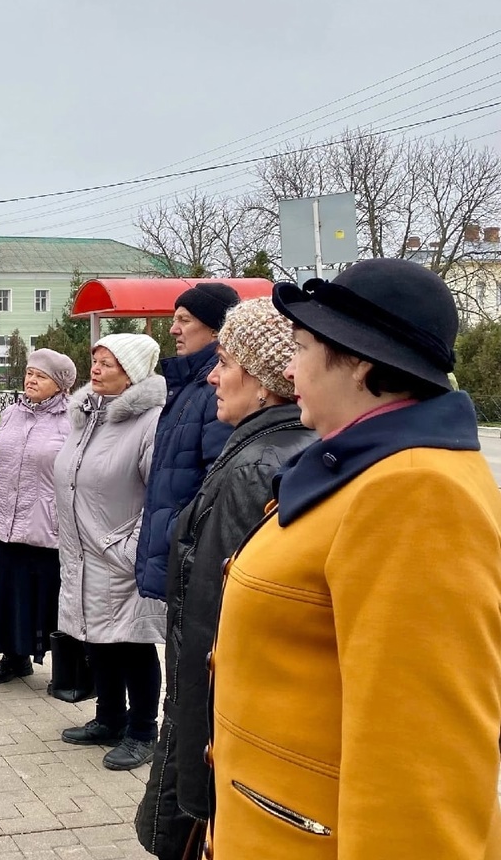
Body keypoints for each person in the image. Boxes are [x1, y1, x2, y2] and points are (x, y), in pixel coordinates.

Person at [207, 258, 501, 858]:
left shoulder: (415, 492)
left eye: (302, 347)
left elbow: (420, 764)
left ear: (361, 364)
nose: (289, 369)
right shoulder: (365, 470)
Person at [135, 298, 315, 858]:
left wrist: (188, 756)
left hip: (214, 725)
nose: (213, 374)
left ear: (263, 382)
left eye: (227, 362)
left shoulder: (255, 467)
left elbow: (215, 621)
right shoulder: (268, 448)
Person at [56, 333, 167, 771]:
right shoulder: (88, 414)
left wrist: (129, 547)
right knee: (96, 638)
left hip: (120, 554)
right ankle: (109, 717)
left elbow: (160, 493)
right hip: (83, 551)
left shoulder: (150, 422)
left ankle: (142, 730)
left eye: (108, 363)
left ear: (133, 373)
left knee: (133, 643)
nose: (96, 369)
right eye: (95, 360)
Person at [0, 349, 77, 688]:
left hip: (47, 527)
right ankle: (14, 659)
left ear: (60, 385)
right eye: (30, 373)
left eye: (41, 376)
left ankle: (65, 670)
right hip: (7, 522)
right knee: (9, 595)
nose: (31, 380)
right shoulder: (10, 414)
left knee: (48, 599)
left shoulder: (72, 421)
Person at [136, 282, 240, 602]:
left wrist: (179, 538)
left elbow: (216, 484)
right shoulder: (189, 386)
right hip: (179, 555)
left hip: (195, 562)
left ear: (215, 330)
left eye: (184, 320)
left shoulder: (215, 389)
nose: (173, 329)